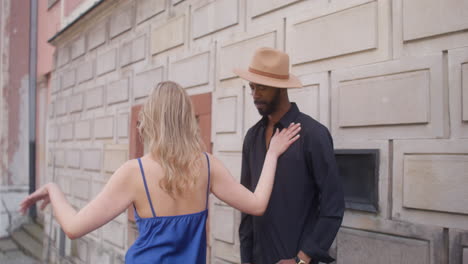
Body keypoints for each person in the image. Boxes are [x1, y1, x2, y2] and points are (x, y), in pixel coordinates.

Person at [19, 81, 301, 264]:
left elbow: (73, 227)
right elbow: (258, 203)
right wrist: (272, 154)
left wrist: (53, 189)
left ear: (152, 118)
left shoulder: (134, 172)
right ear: (186, 117)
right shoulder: (208, 165)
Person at [233, 47, 344, 264]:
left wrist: (301, 260)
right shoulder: (252, 137)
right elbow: (247, 204)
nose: (255, 95)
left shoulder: (313, 134)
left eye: (262, 88)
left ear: (281, 88)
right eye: (252, 87)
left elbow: (333, 206)